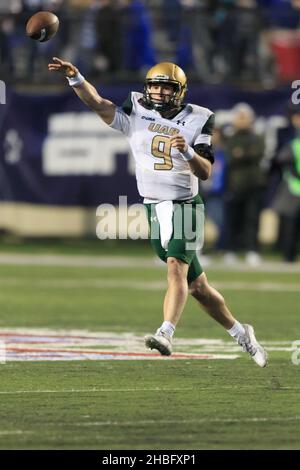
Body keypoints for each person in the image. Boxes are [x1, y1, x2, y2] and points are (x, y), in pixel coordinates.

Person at [48, 57, 268, 367]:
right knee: (198, 288)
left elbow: (204, 172)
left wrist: (187, 151)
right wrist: (75, 78)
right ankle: (241, 332)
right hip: (153, 204)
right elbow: (98, 104)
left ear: (179, 91)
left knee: (176, 268)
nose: (158, 93)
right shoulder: (135, 109)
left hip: (185, 205)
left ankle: (165, 333)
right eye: (154, 87)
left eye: (165, 88)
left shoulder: (199, 118)